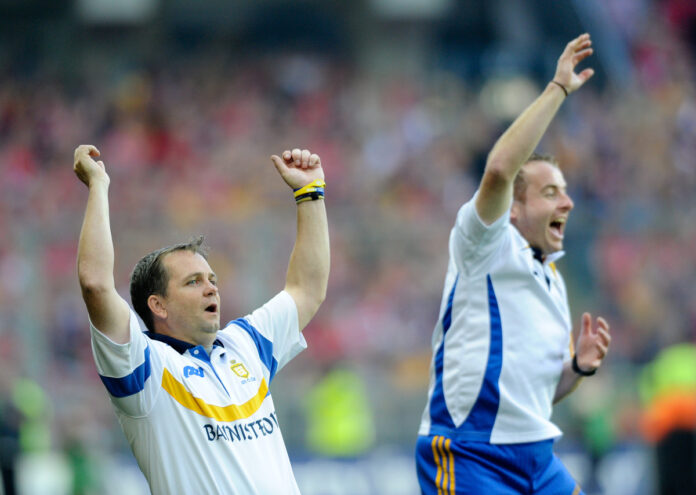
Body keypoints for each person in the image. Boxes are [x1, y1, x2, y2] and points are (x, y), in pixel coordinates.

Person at [415, 34, 611, 495]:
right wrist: (557, 89)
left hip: (537, 457)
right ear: (514, 210)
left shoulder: (553, 280)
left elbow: (536, 397)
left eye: (564, 190)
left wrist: (576, 370)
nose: (567, 200)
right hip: (470, 454)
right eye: (549, 192)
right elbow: (500, 170)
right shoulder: (485, 243)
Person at [73, 144, 329, 495]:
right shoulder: (146, 369)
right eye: (193, 282)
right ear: (158, 305)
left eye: (212, 280)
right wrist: (98, 185)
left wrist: (310, 193)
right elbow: (96, 285)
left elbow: (306, 289)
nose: (211, 289)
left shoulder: (246, 343)